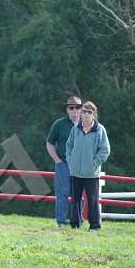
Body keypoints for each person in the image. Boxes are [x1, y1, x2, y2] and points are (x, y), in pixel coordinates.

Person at [66, 101, 111, 231]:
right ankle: (75, 223)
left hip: (92, 173)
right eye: (84, 111)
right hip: (75, 171)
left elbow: (105, 150)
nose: (86, 114)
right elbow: (69, 146)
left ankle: (94, 226)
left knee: (92, 199)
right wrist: (70, 161)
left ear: (94, 114)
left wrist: (94, 163)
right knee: (75, 199)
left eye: (89, 112)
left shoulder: (100, 130)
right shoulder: (75, 129)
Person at [46, 96, 82, 226]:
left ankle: (77, 220)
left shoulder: (88, 124)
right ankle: (61, 221)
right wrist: (57, 161)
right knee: (62, 193)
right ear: (67, 110)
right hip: (63, 163)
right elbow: (49, 143)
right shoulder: (59, 124)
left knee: (79, 194)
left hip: (81, 166)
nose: (75, 110)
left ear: (81, 109)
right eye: (71, 108)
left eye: (78, 107)